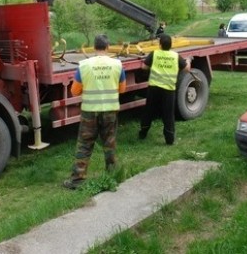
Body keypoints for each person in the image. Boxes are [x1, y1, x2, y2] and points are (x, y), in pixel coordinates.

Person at [64, 34, 127, 190]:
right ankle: (112, 175)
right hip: (110, 111)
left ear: (94, 48)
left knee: (84, 145)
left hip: (89, 113)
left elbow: (74, 92)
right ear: (107, 47)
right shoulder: (117, 65)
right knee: (109, 143)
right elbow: (122, 89)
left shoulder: (84, 65)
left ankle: (77, 180)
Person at [139, 34, 191, 145]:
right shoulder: (175, 56)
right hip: (168, 90)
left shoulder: (155, 53)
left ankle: (143, 133)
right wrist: (189, 60)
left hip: (154, 88)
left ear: (160, 44)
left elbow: (144, 67)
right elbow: (187, 69)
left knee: (148, 111)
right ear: (171, 45)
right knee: (168, 114)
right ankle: (169, 139)